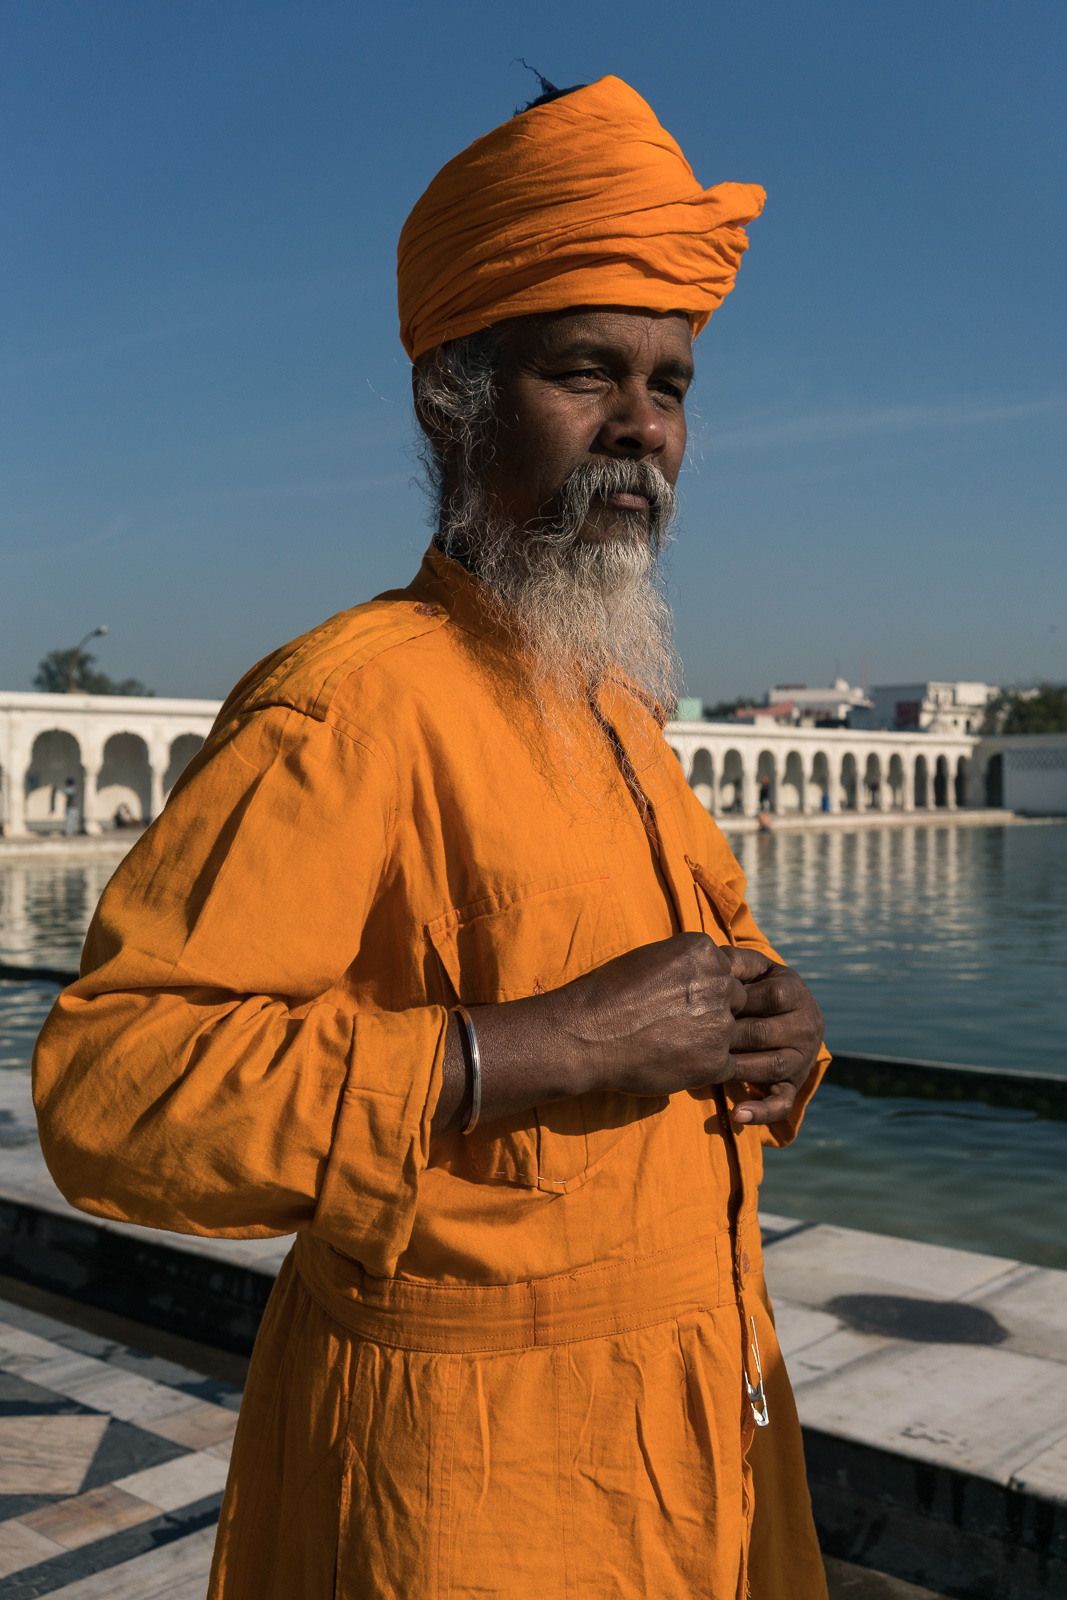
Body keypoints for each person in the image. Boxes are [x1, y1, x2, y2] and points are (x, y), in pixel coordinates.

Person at [34, 76, 831, 1600]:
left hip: (701, 1452)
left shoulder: (619, 710)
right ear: (450, 398)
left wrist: (779, 1030)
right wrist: (528, 1050)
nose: (643, 431)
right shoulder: (354, 708)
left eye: (670, 386)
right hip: (465, 1505)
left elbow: (709, 963)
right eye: (586, 373)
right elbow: (112, 1090)